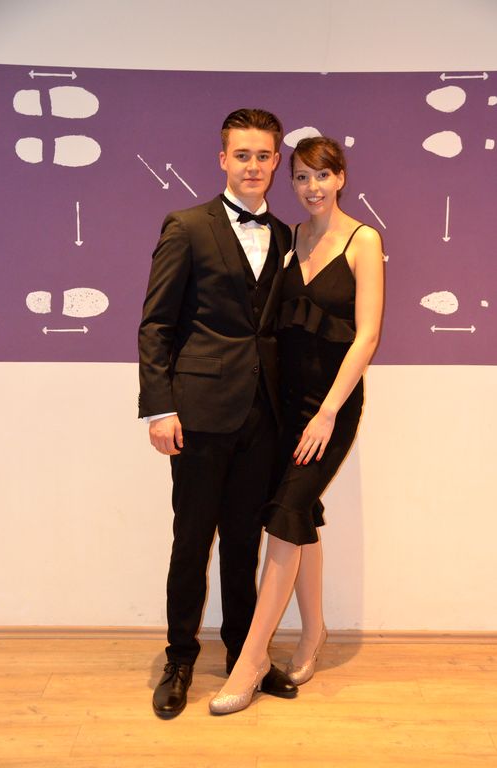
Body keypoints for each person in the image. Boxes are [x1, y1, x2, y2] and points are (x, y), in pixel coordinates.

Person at [209, 135, 384, 714]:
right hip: (284, 407)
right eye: (302, 177)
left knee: (285, 519)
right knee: (297, 515)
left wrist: (328, 413)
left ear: (341, 177)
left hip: (330, 407)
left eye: (322, 175)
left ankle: (252, 659)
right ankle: (313, 633)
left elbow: (367, 337)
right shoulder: (291, 238)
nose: (312, 187)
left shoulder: (362, 240)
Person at [138, 108, 298, 719]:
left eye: (263, 156)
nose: (253, 165)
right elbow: (156, 325)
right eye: (242, 155)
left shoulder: (286, 235)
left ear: (276, 161)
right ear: (222, 158)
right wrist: (159, 408)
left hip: (263, 417)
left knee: (242, 543)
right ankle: (180, 658)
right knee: (191, 541)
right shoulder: (186, 226)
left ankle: (243, 654)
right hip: (200, 413)